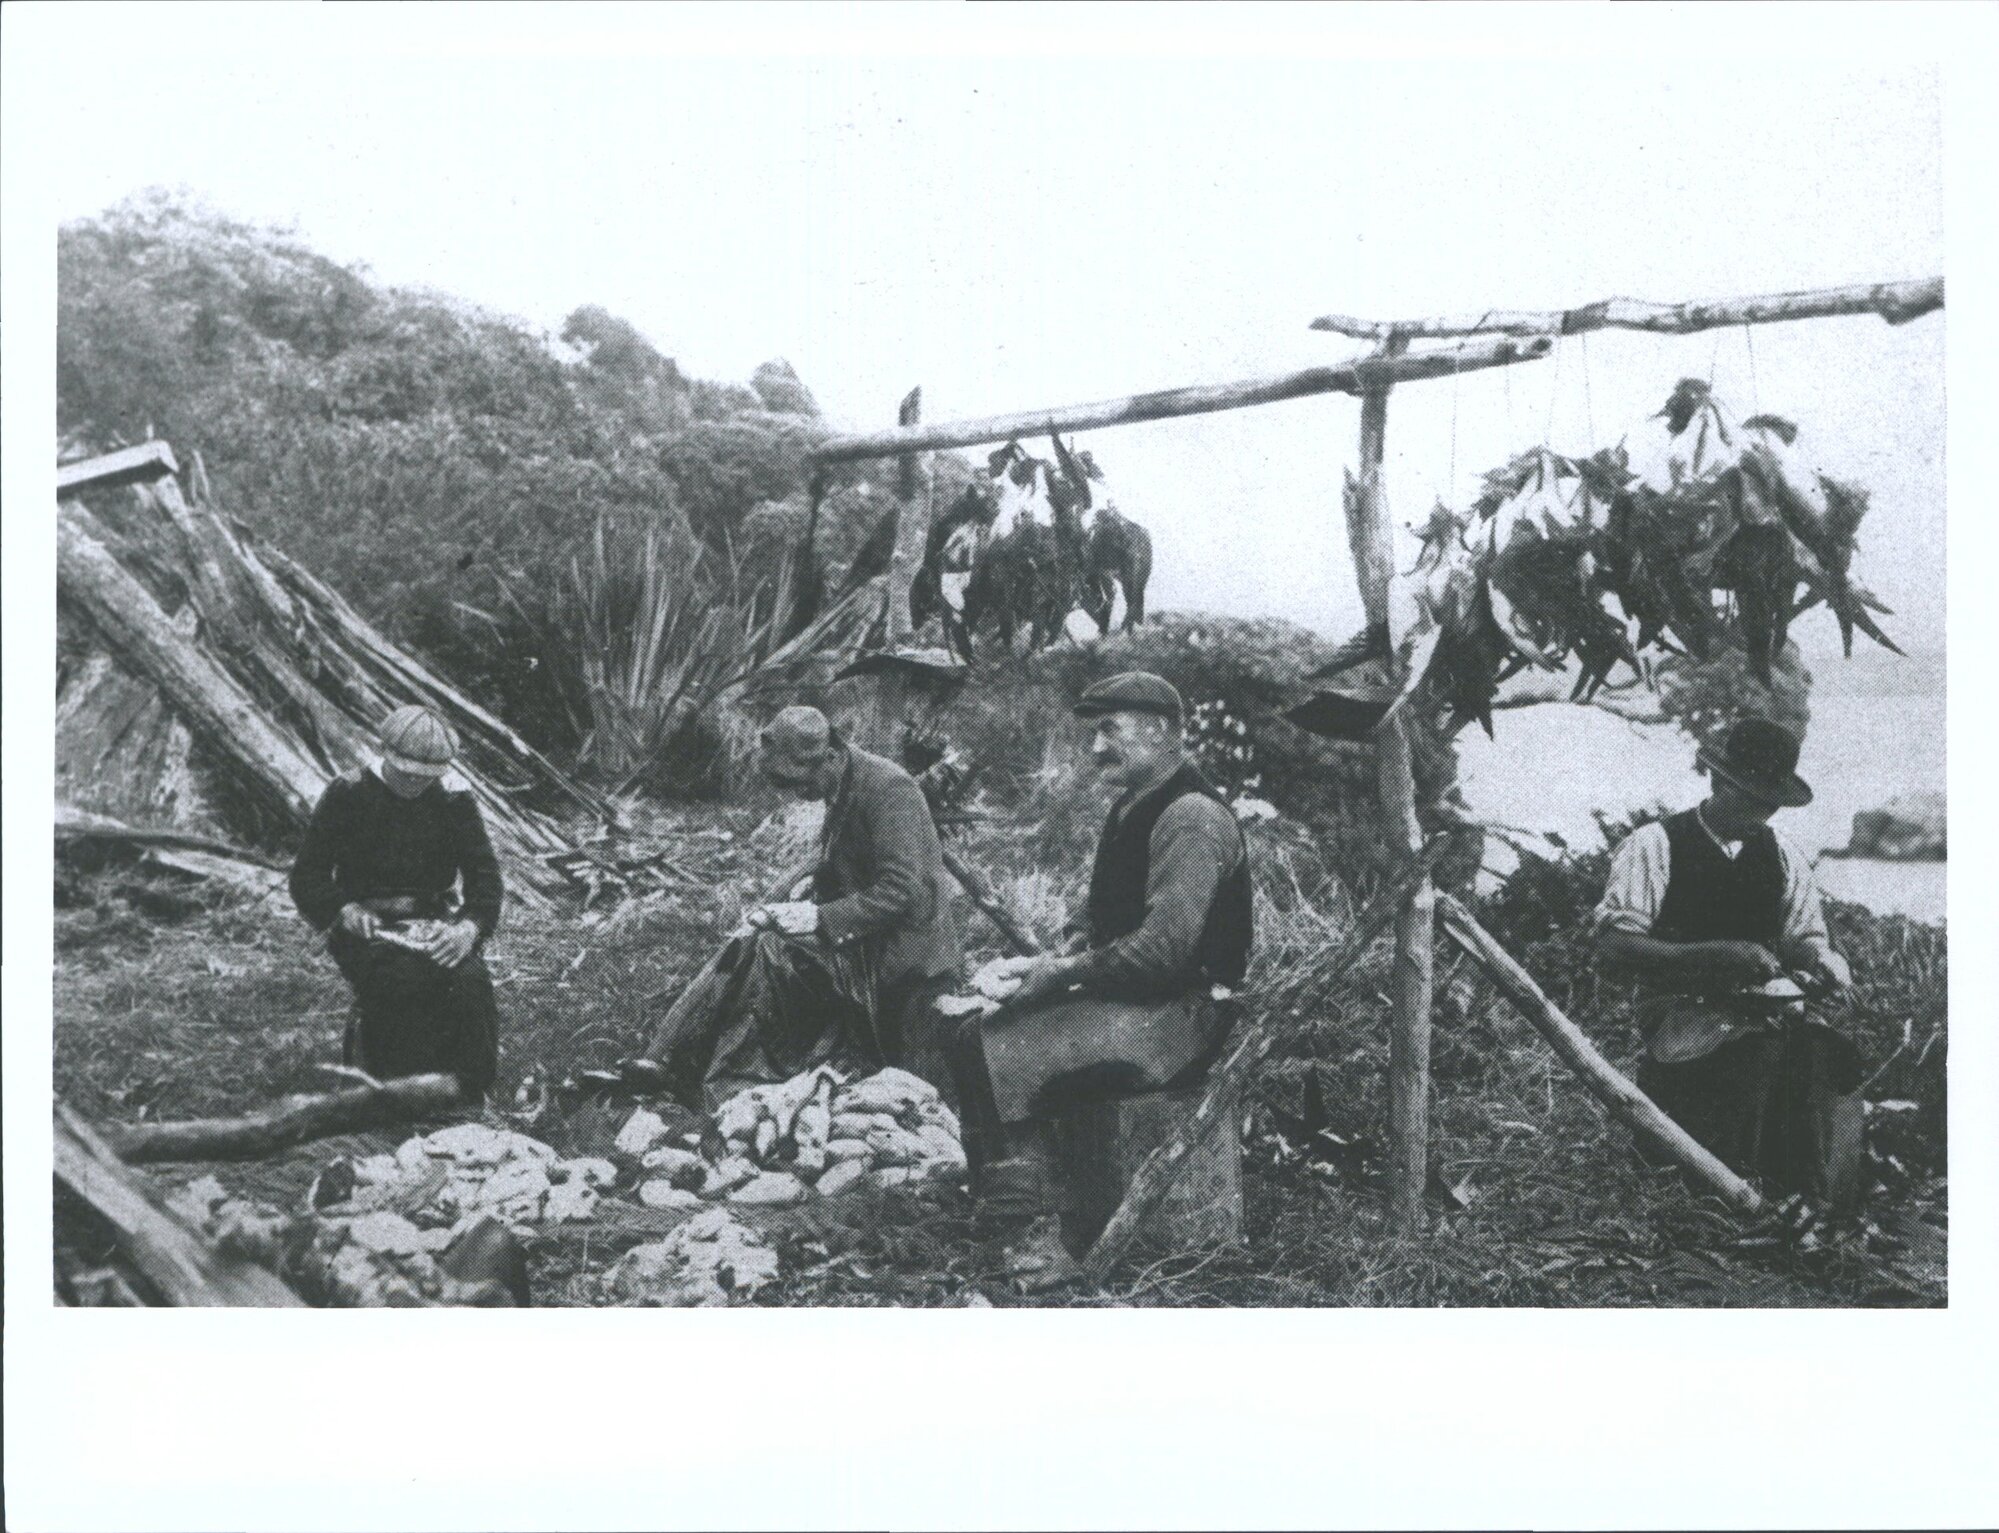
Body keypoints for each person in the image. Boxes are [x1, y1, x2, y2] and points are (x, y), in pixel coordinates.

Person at [941, 671, 1253, 1285]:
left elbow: (1164, 953)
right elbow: (1103, 909)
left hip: (1184, 1015)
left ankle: (1058, 1235)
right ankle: (1008, 1206)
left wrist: (1060, 978)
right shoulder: (1133, 803)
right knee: (968, 1030)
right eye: (1095, 732)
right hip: (1139, 997)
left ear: (1161, 732)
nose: (1096, 748)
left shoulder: (1190, 817)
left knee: (1004, 1046)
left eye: (1109, 730)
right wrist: (1068, 947)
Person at [1593, 717, 1863, 1208]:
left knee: (1827, 1055)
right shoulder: (1655, 845)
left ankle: (1813, 1201)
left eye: (1770, 803)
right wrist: (1718, 956)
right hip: (1678, 1013)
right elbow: (1615, 946)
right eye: (1751, 798)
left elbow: (1803, 937)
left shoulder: (1782, 855)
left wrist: (1823, 960)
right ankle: (1731, 1194)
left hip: (1762, 1014)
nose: (1761, 813)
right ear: (1719, 781)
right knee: (1757, 1052)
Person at [644, 706, 962, 1107]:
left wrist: (819, 917)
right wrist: (810, 892)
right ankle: (672, 1061)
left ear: (829, 756)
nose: (799, 793)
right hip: (867, 936)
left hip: (904, 953)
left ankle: (733, 1079)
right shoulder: (844, 782)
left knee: (771, 957)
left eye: (801, 781)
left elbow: (900, 891)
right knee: (749, 943)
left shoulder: (888, 789)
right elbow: (850, 865)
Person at [289, 705, 503, 1103]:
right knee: (402, 979)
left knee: (469, 980)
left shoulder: (454, 801)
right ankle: (398, 1096)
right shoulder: (348, 793)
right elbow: (307, 876)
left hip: (433, 921)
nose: (413, 784)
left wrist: (467, 928)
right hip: (364, 924)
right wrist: (343, 910)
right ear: (384, 751)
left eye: (425, 777)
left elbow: (485, 878)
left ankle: (469, 1093)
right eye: (405, 772)